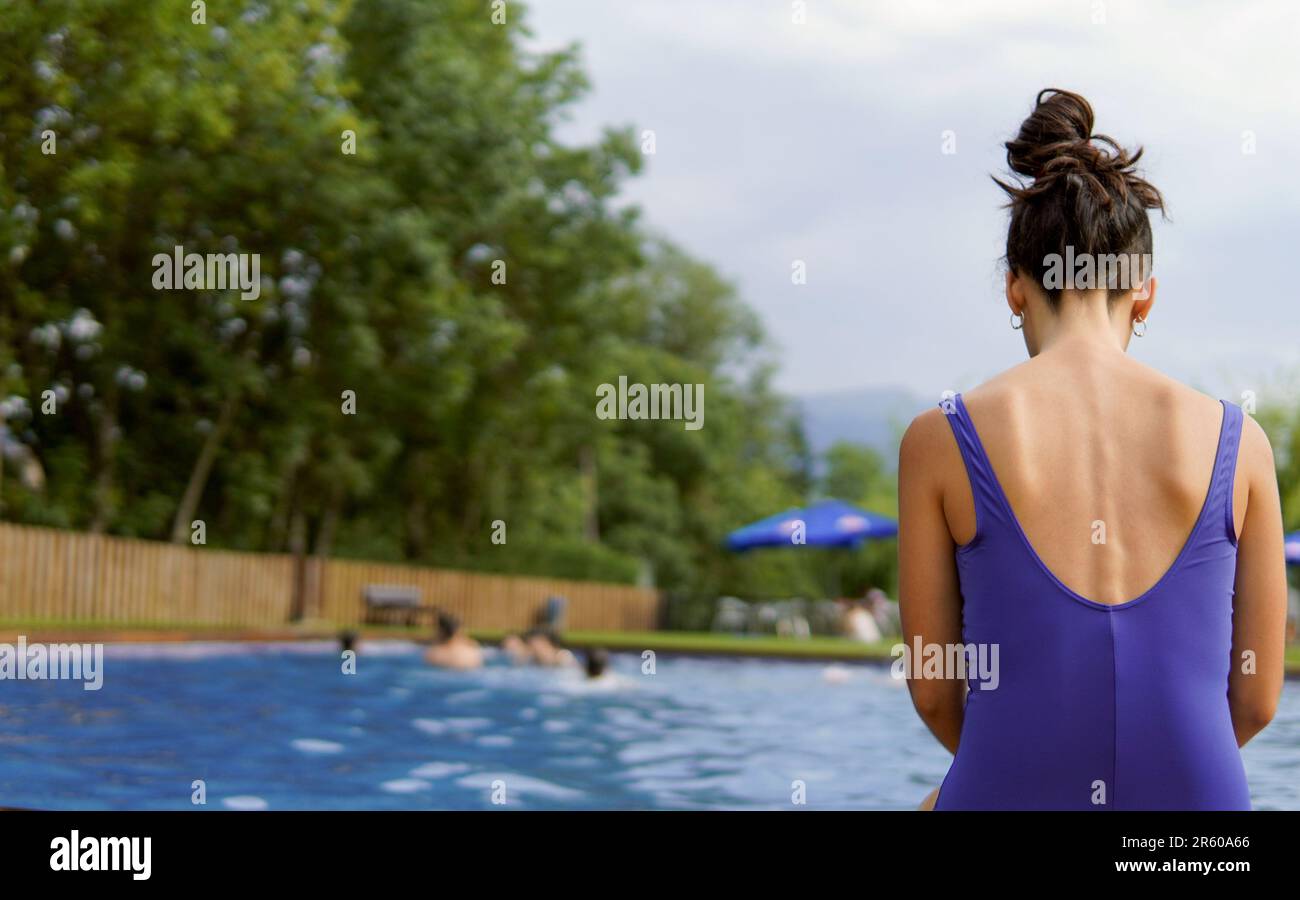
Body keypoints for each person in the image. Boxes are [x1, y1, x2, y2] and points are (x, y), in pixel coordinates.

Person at [897, 89, 1286, 810]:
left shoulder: (939, 439)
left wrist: (1028, 770)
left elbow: (934, 692)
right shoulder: (1242, 442)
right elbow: (1258, 701)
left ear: (1014, 289)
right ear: (1144, 294)